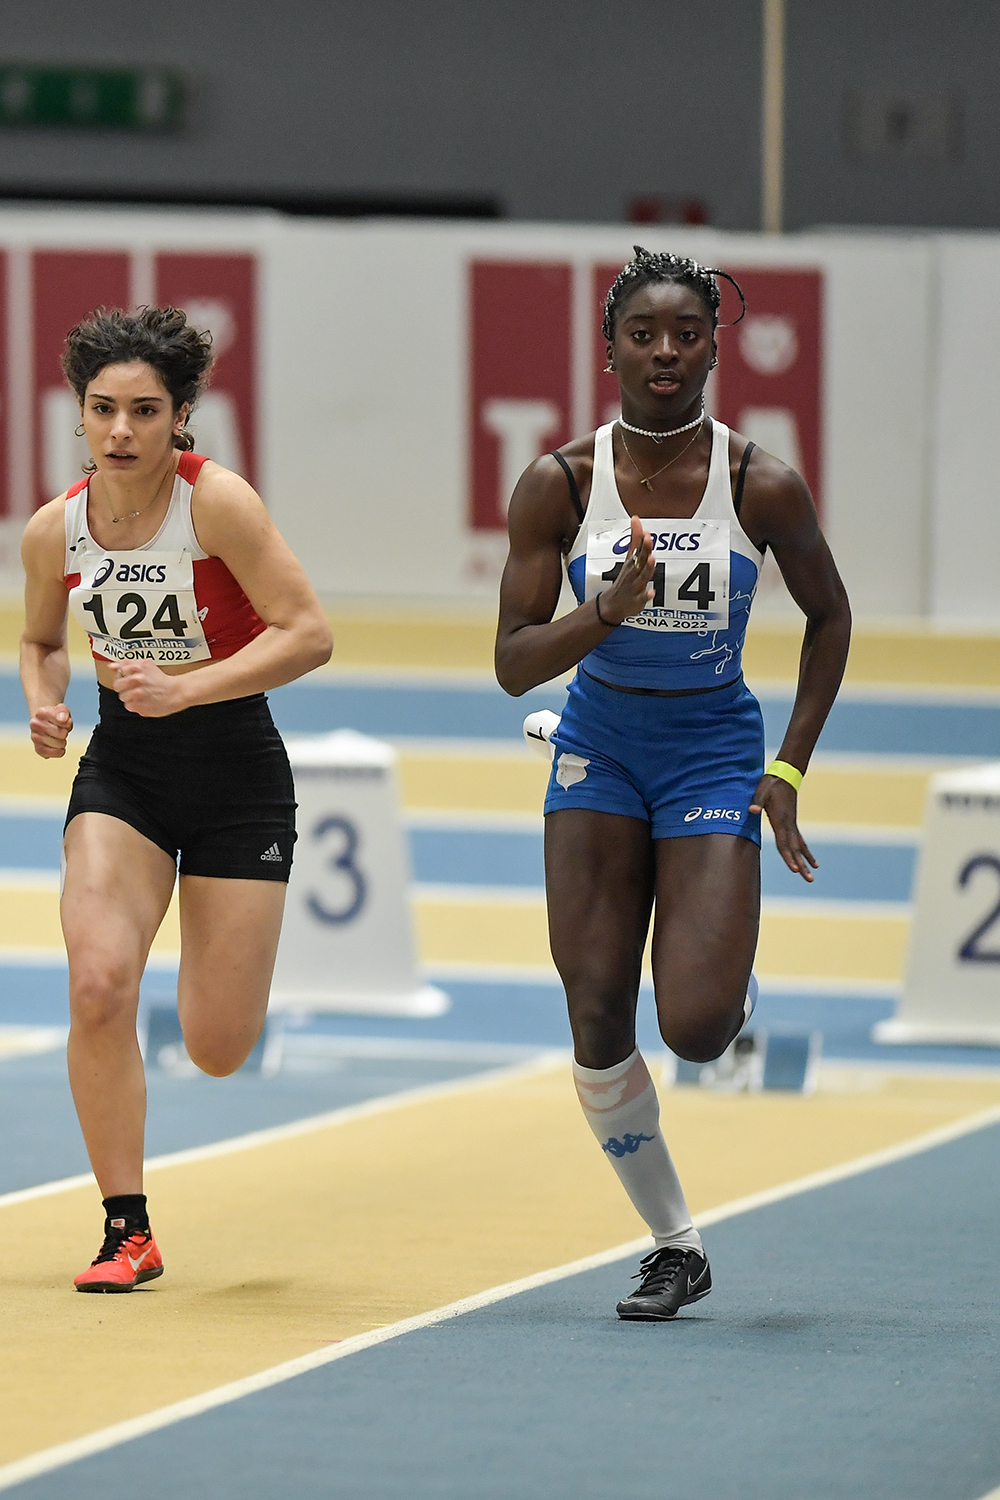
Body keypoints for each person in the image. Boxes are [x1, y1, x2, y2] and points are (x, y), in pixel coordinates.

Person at [495, 248, 851, 1320]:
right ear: (607, 348)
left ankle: (725, 966)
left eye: (686, 334)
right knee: (598, 1009)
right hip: (601, 745)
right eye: (642, 334)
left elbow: (831, 618)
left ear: (712, 350)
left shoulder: (760, 483)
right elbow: (512, 660)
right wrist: (605, 612)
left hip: (709, 752)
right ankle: (674, 1246)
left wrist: (786, 766)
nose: (664, 352)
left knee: (695, 1026)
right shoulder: (560, 483)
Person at [20, 306, 332, 1292]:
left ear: (180, 416)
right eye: (103, 409)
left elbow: (308, 632)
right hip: (126, 776)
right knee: (97, 985)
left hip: (239, 776)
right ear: (79, 413)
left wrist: (190, 687)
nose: (121, 431)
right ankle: (128, 1229)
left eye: (145, 411)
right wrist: (43, 700)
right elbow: (40, 639)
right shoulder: (55, 529)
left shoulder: (217, 504)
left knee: (217, 1045)